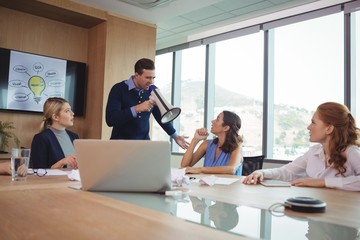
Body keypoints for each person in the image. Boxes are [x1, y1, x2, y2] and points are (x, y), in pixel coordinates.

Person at [243, 102, 360, 191]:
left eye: (313, 122)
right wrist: (262, 173)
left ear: (329, 128)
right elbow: (286, 172)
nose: (308, 127)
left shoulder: (351, 152)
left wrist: (323, 182)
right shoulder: (314, 152)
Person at [105, 58, 189, 149]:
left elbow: (161, 116)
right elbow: (111, 119)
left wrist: (175, 136)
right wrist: (137, 108)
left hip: (143, 146)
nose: (151, 82)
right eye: (148, 77)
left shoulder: (151, 90)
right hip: (119, 146)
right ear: (137, 75)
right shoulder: (118, 89)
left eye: (153, 78)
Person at [181, 110, 243, 175]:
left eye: (217, 120)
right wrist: (195, 140)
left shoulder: (237, 146)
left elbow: (231, 169)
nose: (212, 121)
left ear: (226, 128)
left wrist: (200, 169)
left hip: (230, 185)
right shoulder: (207, 144)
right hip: (209, 185)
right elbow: (184, 166)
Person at [30, 97, 78, 169]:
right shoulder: (41, 138)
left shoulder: (74, 136)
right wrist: (61, 162)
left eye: (71, 110)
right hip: (54, 180)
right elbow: (39, 172)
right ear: (56, 117)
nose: (72, 113)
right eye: (67, 111)